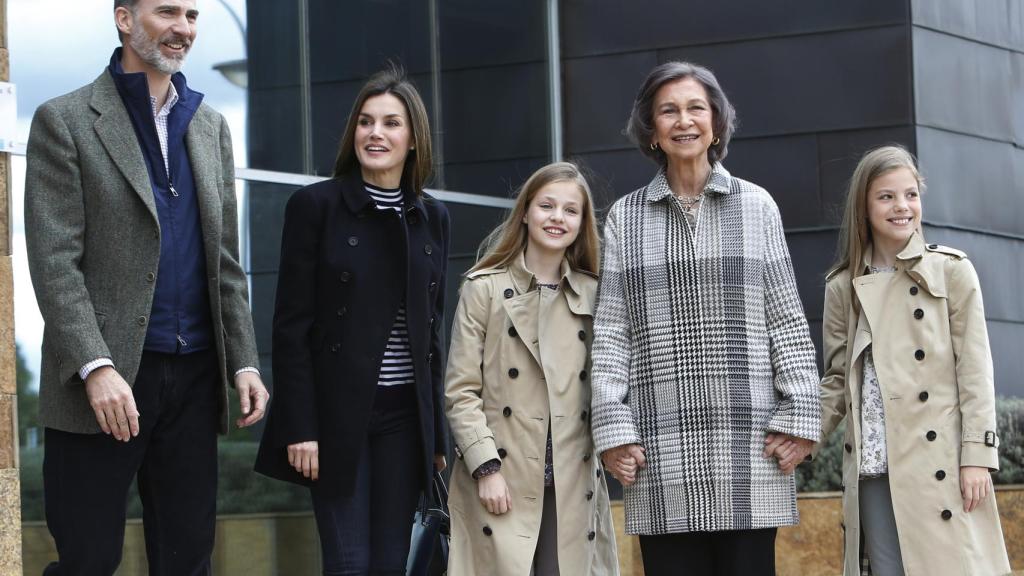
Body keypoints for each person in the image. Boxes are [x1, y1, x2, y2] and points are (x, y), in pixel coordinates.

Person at [23, 1, 268, 574]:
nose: (184, 27)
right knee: (87, 561)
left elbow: (225, 262)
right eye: (167, 11)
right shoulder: (64, 120)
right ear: (124, 19)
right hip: (103, 389)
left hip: (194, 378)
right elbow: (55, 260)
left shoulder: (210, 126)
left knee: (188, 561)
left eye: (192, 15)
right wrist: (95, 365)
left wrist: (245, 362)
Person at [589, 61, 821, 576]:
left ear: (716, 121)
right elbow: (610, 333)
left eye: (696, 107)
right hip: (661, 448)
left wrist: (801, 417)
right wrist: (613, 429)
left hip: (750, 446)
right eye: (668, 110)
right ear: (651, 129)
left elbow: (786, 319)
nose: (684, 120)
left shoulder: (757, 206)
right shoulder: (625, 217)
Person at [254, 66, 450, 575]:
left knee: (390, 564)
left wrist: (436, 439)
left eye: (390, 123)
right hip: (337, 416)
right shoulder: (315, 206)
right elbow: (291, 327)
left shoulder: (432, 217)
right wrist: (300, 426)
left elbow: (433, 332)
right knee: (347, 563)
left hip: (405, 420)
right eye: (365, 122)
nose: (375, 134)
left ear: (413, 140)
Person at [818, 145, 1011, 575]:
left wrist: (977, 455)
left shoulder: (952, 271)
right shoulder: (843, 286)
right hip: (875, 464)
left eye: (911, 195)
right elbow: (836, 380)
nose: (902, 207)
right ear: (864, 207)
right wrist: (797, 434)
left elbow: (975, 371)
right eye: (886, 196)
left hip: (939, 461)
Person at [444, 162, 618, 576]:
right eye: (547, 206)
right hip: (501, 476)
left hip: (572, 483)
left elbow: (611, 384)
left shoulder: (595, 293)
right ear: (525, 211)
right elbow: (461, 391)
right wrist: (485, 467)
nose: (558, 218)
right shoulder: (482, 288)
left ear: (581, 223)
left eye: (570, 210)